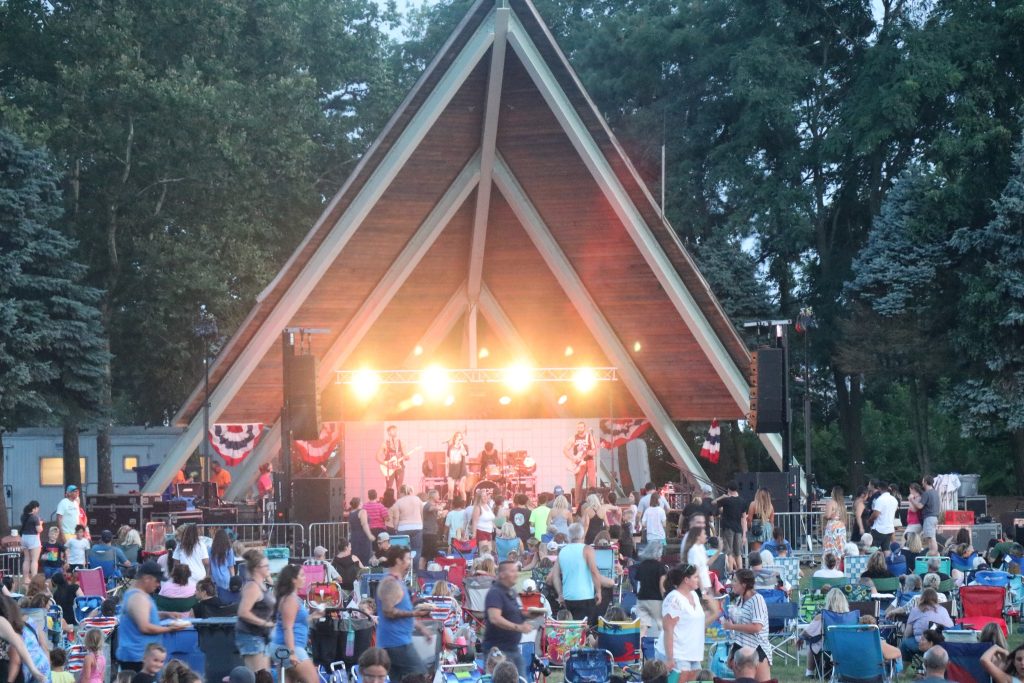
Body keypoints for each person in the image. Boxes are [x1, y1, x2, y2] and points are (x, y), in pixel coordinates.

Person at [115, 562, 187, 671]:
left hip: (140, 656)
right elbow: (145, 627)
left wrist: (166, 614)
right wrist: (169, 629)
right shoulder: (138, 597)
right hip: (137, 658)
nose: (158, 584)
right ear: (146, 578)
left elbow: (142, 615)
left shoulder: (138, 594)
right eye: (157, 580)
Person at [656, 563, 721, 680]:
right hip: (678, 654)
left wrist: (715, 613)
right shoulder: (674, 599)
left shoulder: (694, 596)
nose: (698, 579)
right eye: (696, 577)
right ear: (686, 580)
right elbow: (668, 629)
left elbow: (697, 624)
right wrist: (670, 658)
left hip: (692, 653)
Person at [376, 546, 432, 680]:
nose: (410, 562)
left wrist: (422, 628)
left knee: (398, 679)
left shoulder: (396, 582)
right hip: (396, 643)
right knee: (421, 677)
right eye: (407, 559)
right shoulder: (390, 583)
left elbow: (402, 610)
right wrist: (415, 614)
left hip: (395, 642)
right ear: (398, 561)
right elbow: (388, 611)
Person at [549, 523, 613, 624]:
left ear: (569, 536)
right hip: (585, 596)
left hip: (568, 596)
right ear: (583, 535)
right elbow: (594, 572)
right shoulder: (587, 549)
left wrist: (560, 594)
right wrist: (598, 591)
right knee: (585, 628)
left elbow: (555, 576)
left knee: (571, 627)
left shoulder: (562, 552)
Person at [483, 560, 533, 680]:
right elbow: (495, 618)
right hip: (498, 652)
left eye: (516, 571)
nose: (516, 574)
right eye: (512, 571)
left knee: (522, 680)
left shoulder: (512, 592)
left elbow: (515, 614)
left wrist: (529, 615)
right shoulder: (495, 593)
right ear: (502, 574)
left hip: (513, 648)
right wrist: (518, 627)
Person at [269, 564, 319, 683]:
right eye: (301, 575)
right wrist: (291, 653)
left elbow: (296, 621)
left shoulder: (290, 598)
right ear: (293, 579)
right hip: (289, 647)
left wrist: (313, 616)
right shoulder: (290, 599)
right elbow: (288, 628)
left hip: (285, 647)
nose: (305, 578)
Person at [720, 569, 771, 682]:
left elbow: (757, 627)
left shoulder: (757, 600)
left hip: (757, 648)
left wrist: (731, 627)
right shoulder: (740, 600)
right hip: (740, 647)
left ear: (744, 584)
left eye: (735, 581)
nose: (732, 583)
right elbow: (741, 623)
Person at [236, 549, 275, 673]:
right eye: (266, 566)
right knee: (259, 677)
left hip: (261, 636)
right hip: (251, 636)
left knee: (264, 676)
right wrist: (264, 623)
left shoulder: (261, 585)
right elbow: (243, 612)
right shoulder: (253, 587)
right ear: (257, 568)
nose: (269, 568)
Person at [799, 588, 849, 676]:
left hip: (827, 648)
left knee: (812, 643)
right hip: (846, 647)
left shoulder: (822, 616)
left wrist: (801, 637)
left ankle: (809, 673)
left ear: (828, 601)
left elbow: (808, 632)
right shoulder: (850, 617)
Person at [900, 588, 953, 660]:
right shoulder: (943, 609)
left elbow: (907, 634)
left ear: (922, 598)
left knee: (904, 643)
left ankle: (906, 668)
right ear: (936, 598)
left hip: (925, 645)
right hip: (944, 644)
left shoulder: (916, 610)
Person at [634, 542, 667, 637]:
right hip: (656, 600)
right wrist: (665, 600)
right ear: (658, 554)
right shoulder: (660, 567)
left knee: (642, 628)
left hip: (642, 599)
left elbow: (638, 584)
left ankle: (639, 648)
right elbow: (662, 586)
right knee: (661, 626)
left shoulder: (641, 565)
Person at [715, 483, 747, 572]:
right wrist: (744, 534)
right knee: (738, 553)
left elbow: (713, 503)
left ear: (728, 489)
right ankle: (741, 571)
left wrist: (722, 497)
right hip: (738, 529)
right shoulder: (743, 501)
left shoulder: (726, 500)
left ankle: (730, 572)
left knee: (729, 552)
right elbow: (744, 518)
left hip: (727, 528)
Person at [388, 485, 424, 562]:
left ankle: (404, 569)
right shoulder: (417, 499)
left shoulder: (399, 502)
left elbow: (396, 518)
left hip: (403, 527)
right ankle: (414, 570)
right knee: (416, 549)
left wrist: (395, 528)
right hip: (417, 526)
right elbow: (421, 513)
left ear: (401, 492)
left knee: (402, 551)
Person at [564, 422, 597, 503]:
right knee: (578, 484)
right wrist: (573, 458)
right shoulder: (573, 438)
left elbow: (594, 451)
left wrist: (589, 452)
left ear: (584, 428)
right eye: (578, 427)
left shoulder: (590, 437)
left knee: (592, 482)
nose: (579, 429)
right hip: (579, 462)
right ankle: (578, 504)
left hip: (589, 460)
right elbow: (565, 449)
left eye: (581, 427)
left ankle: (592, 501)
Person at [376, 425, 408, 492]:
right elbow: (377, 456)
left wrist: (406, 457)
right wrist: (385, 464)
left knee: (400, 488)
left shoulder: (401, 443)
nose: (395, 431)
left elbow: (406, 455)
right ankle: (388, 501)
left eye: (395, 430)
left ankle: (400, 502)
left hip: (399, 468)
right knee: (389, 487)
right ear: (388, 432)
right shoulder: (385, 444)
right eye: (393, 430)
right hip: (389, 468)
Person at [868, 480, 897, 550]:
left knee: (872, 549)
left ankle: (874, 561)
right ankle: (888, 561)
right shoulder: (894, 500)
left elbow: (875, 514)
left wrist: (869, 520)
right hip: (889, 529)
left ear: (879, 488)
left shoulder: (880, 499)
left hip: (879, 529)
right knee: (886, 549)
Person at [19, 501, 42, 591]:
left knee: (26, 559)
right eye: (38, 508)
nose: (38, 510)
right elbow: (39, 530)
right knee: (34, 560)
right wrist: (41, 524)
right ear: (34, 508)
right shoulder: (35, 517)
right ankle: (34, 579)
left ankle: (25, 578)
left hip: (24, 538)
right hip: (33, 538)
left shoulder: (23, 516)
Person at [682, 527, 711, 592]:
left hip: (705, 584)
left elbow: (707, 563)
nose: (706, 536)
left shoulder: (701, 546)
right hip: (699, 587)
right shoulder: (694, 550)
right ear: (698, 537)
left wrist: (718, 551)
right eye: (704, 534)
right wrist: (702, 591)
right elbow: (696, 571)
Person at [918, 476, 941, 556]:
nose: (922, 483)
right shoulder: (935, 492)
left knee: (931, 538)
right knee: (931, 537)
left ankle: (934, 556)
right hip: (935, 518)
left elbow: (919, 506)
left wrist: (912, 500)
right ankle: (933, 555)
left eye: (923, 481)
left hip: (929, 518)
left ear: (926, 482)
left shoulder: (926, 493)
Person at [821, 486, 847, 559]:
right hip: (841, 526)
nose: (831, 492)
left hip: (833, 526)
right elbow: (844, 518)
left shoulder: (831, 503)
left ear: (834, 493)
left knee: (830, 546)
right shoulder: (842, 504)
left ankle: (829, 563)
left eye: (832, 491)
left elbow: (828, 515)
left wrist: (824, 516)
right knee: (840, 546)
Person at [746, 489, 774, 553]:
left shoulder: (753, 504)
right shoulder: (771, 506)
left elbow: (749, 519)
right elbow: (772, 521)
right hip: (767, 529)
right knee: (766, 552)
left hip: (756, 529)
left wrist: (749, 528)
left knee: (756, 552)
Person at [210, 529, 236, 595]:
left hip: (214, 578)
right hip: (226, 578)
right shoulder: (229, 549)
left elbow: (209, 565)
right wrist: (233, 580)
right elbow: (231, 567)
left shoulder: (210, 549)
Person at [421, 489, 441, 569]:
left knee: (430, 554)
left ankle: (428, 570)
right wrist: (438, 508)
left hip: (432, 532)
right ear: (433, 496)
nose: (439, 497)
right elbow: (430, 508)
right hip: (428, 533)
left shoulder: (432, 505)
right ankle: (422, 572)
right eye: (438, 495)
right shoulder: (428, 505)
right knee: (425, 554)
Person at [446, 431, 469, 499]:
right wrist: (447, 468)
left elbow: (464, 453)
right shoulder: (450, 446)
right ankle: (450, 506)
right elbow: (448, 458)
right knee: (450, 490)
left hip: (461, 470)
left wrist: (461, 444)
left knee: (462, 490)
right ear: (454, 438)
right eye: (457, 436)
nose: (459, 438)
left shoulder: (464, 446)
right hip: (452, 470)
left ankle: (463, 507)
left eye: (460, 437)